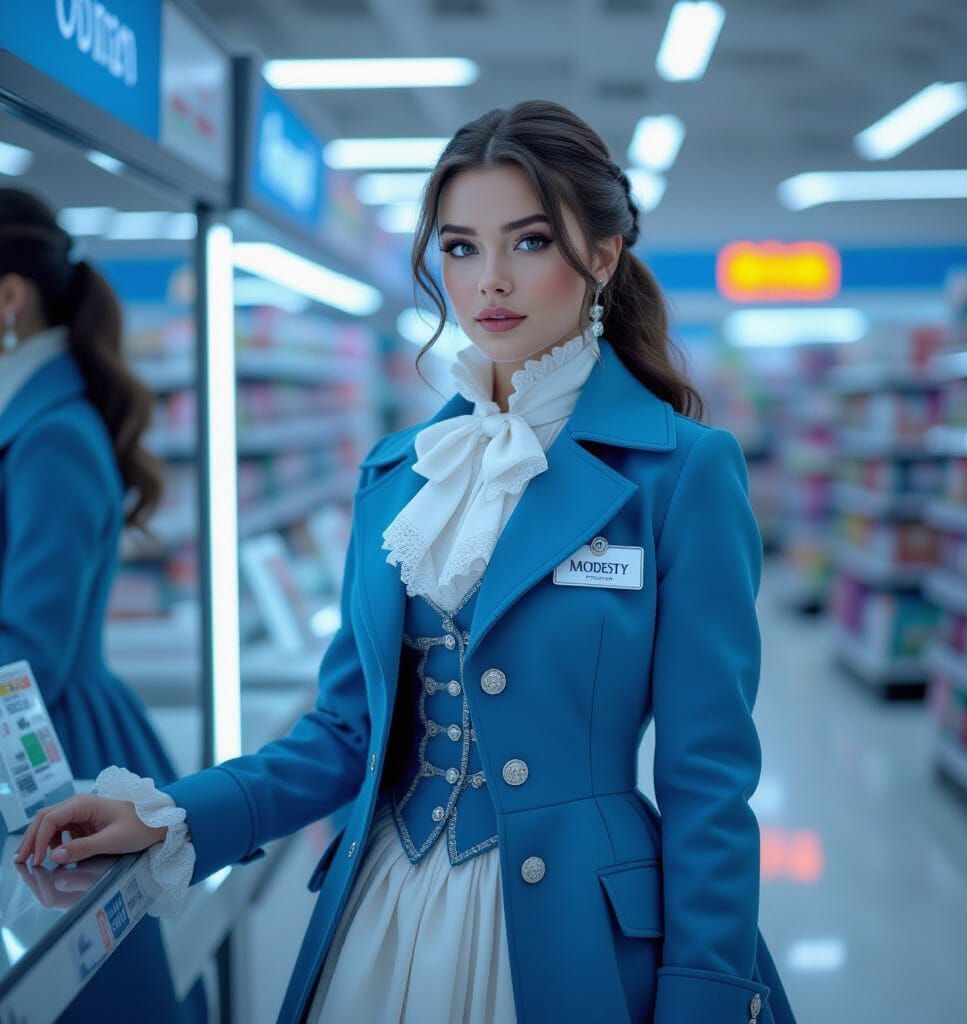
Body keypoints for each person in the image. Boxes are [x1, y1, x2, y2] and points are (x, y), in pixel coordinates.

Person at [17, 102, 797, 1024]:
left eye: (531, 240)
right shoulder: (399, 475)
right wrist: (174, 815)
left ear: (603, 255)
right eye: (461, 248)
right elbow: (347, 735)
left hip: (578, 931)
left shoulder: (682, 474)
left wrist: (705, 999)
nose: (490, 281)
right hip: (385, 913)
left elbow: (708, 778)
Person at [0, 189, 205, 1023]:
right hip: (42, 736)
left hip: (50, 752)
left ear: (9, 296)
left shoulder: (52, 435)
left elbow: (27, 648)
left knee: (83, 993)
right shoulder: (37, 418)